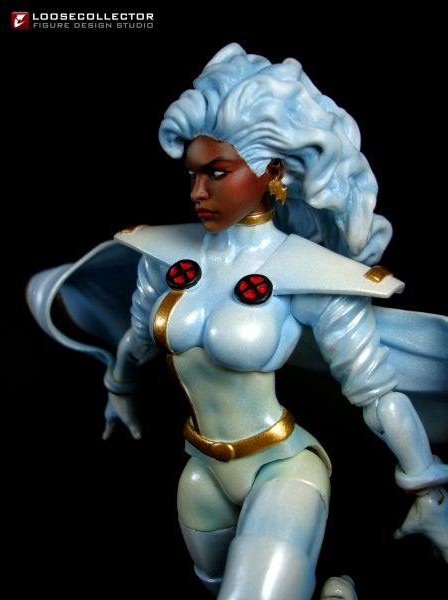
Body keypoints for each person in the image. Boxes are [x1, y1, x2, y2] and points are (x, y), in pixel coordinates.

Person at [27, 43, 447, 599]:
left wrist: (426, 488)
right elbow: (138, 340)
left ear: (272, 170)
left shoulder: (309, 273)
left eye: (217, 173)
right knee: (221, 585)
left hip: (283, 468)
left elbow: (376, 392)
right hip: (199, 472)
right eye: (193, 174)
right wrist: (118, 387)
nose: (198, 192)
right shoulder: (163, 256)